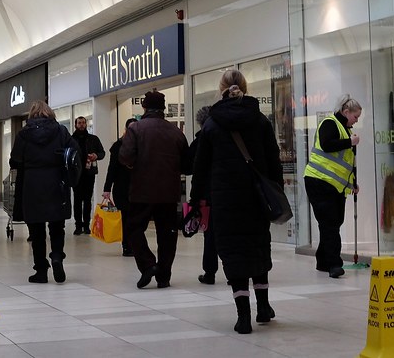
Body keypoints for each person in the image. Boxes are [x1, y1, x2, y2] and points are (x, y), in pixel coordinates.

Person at [190, 70, 283, 334]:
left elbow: (200, 168)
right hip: (256, 197)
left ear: (221, 89)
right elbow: (274, 159)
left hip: (225, 199)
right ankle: (263, 307)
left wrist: (196, 199)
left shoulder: (210, 125)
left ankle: (243, 317)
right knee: (258, 248)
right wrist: (275, 189)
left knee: (233, 253)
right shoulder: (260, 121)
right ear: (245, 86)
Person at [119, 90, 189, 289]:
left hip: (142, 190)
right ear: (164, 108)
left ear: (144, 107)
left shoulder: (136, 129)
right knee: (167, 233)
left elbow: (125, 156)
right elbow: (187, 165)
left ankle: (148, 264)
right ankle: (164, 276)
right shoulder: (176, 131)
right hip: (169, 192)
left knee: (134, 228)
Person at [9, 100, 76, 283]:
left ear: (31, 114)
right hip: (57, 182)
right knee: (57, 226)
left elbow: (14, 160)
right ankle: (56, 256)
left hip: (32, 185)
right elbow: (74, 152)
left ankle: (40, 270)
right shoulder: (61, 131)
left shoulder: (24, 134)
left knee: (36, 230)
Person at [303, 93, 361, 279]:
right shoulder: (330, 124)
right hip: (319, 181)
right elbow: (328, 145)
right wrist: (349, 142)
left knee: (333, 223)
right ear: (345, 112)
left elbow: (347, 162)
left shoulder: (345, 130)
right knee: (330, 224)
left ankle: (322, 260)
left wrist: (353, 182)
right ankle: (334, 264)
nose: (356, 120)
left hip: (335, 185)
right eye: (355, 116)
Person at [187, 105, 219, 285]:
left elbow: (193, 169)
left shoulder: (200, 141)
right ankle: (234, 272)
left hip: (208, 193)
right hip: (229, 192)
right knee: (229, 233)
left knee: (210, 234)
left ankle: (210, 272)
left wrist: (194, 198)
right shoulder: (226, 137)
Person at [102, 118, 136, 257]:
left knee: (136, 217)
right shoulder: (117, 146)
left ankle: (135, 243)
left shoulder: (143, 144)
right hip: (122, 187)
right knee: (126, 217)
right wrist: (107, 188)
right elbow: (112, 169)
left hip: (139, 186)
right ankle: (127, 246)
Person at [71, 116, 105, 235]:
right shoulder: (71, 140)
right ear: (75, 125)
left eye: (83, 123)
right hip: (76, 174)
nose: (81, 125)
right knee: (77, 199)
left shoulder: (93, 139)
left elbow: (102, 153)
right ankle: (78, 225)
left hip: (89, 173)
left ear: (86, 124)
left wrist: (96, 155)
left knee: (87, 199)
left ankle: (86, 225)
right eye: (79, 123)